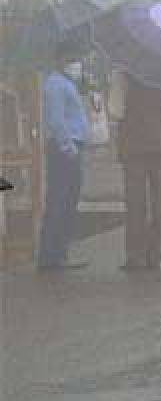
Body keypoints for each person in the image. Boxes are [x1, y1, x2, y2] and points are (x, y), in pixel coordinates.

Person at [110, 70, 161, 270]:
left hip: (134, 145)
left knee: (135, 203)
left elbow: (115, 110)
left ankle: (135, 256)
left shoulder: (123, 73)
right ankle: (155, 255)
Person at [37, 44, 90, 270]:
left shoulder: (66, 84)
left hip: (69, 147)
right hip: (64, 150)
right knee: (60, 201)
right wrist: (69, 148)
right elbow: (56, 121)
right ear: (60, 59)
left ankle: (59, 253)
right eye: (72, 59)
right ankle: (52, 256)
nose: (76, 64)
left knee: (67, 201)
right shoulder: (56, 85)